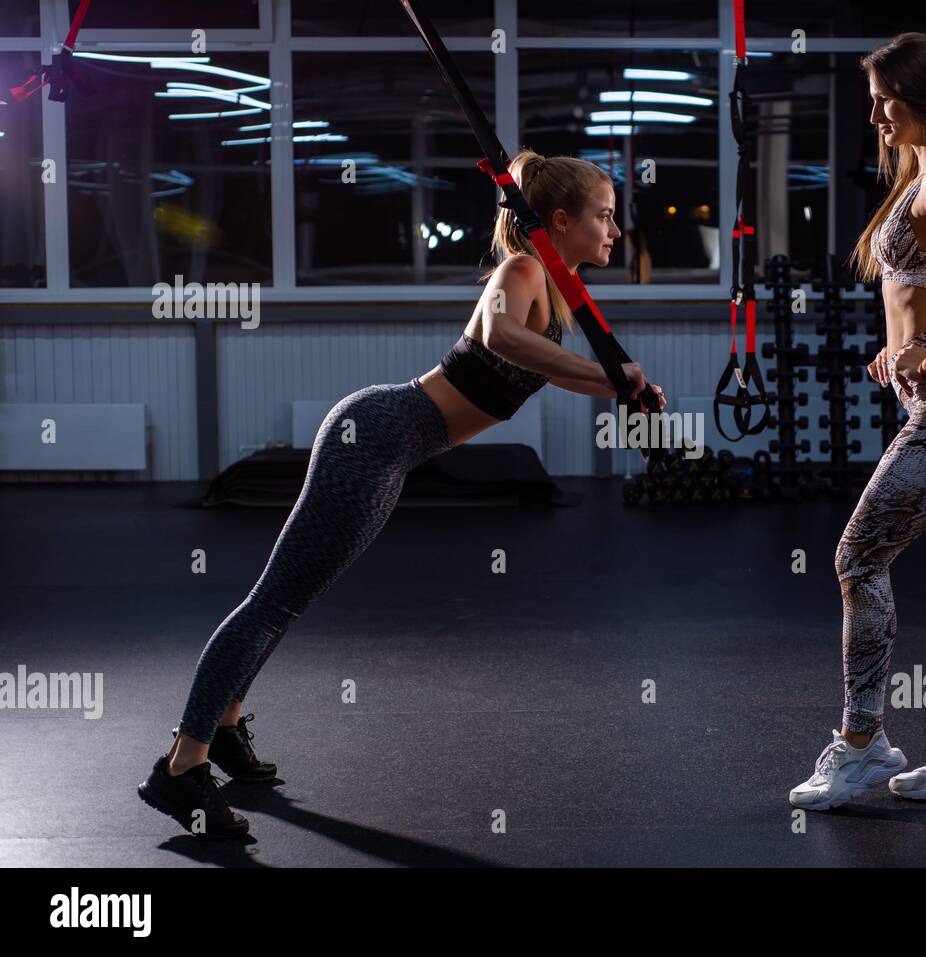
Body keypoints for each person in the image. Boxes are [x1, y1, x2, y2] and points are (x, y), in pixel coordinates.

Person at [139, 149, 665, 838]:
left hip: (398, 449)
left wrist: (616, 383)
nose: (614, 230)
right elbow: (501, 336)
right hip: (376, 434)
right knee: (271, 602)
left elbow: (546, 365)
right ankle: (181, 765)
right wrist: (609, 375)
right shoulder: (523, 271)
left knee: (287, 602)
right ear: (560, 220)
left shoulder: (555, 295)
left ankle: (227, 729)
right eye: (603, 216)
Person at [789, 33, 926, 811]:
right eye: (874, 99)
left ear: (923, 96)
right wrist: (903, 351)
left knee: (857, 557)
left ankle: (861, 744)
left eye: (887, 99)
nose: (877, 114)